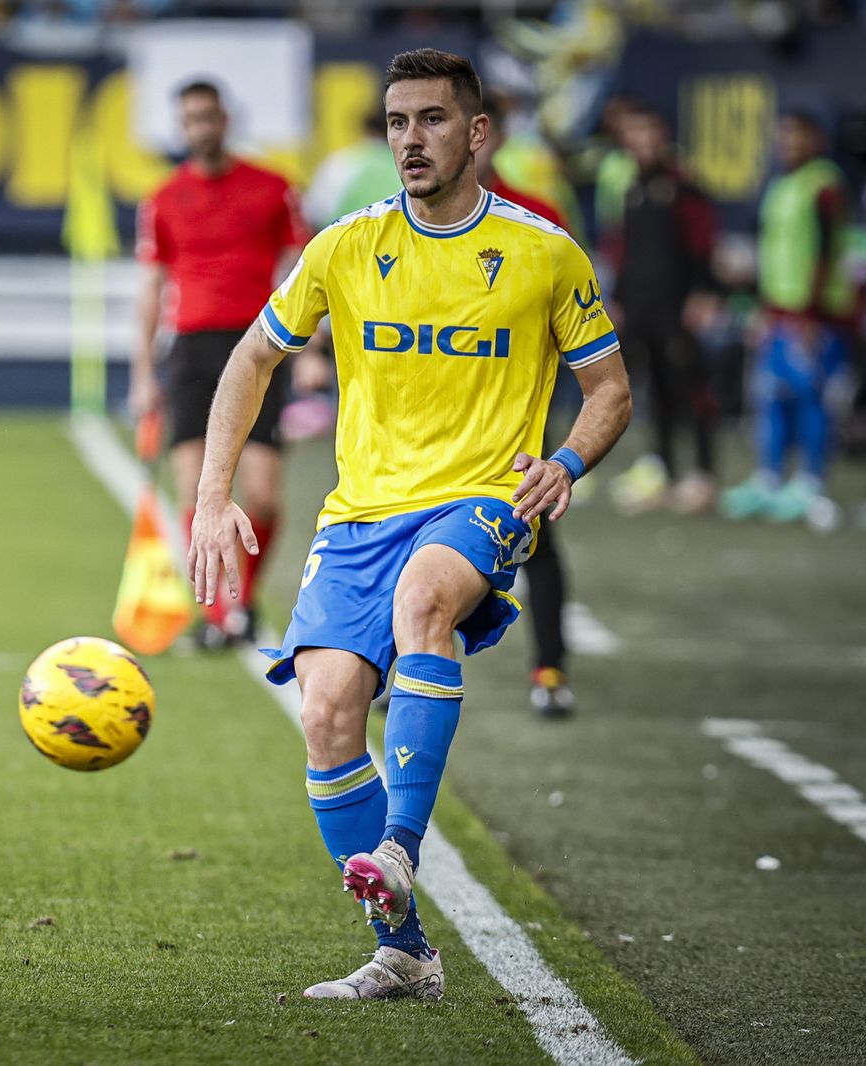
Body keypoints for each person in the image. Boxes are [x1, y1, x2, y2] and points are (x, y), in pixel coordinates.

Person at [188, 49, 631, 1001]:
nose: (410, 140)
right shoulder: (346, 247)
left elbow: (609, 390)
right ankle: (405, 952)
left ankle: (400, 843)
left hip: (484, 497)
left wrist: (565, 461)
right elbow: (250, 361)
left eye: (431, 120)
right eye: (397, 122)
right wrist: (210, 496)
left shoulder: (544, 251)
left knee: (425, 599)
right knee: (327, 714)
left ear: (477, 133)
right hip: (359, 516)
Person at [131, 78, 308, 648]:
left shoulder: (272, 188)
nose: (202, 128)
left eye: (209, 116)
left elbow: (302, 269)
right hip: (190, 348)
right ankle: (218, 617)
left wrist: (312, 349)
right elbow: (151, 287)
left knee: (261, 494)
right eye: (191, 119)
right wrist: (141, 373)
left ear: (226, 120)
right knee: (193, 488)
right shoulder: (163, 199)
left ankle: (242, 598)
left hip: (257, 345)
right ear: (181, 128)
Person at [477, 92, 581, 718]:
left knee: (535, 539)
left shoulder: (540, 220)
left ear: (491, 134)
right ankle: (401, 669)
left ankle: (550, 668)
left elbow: (582, 325)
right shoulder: (400, 223)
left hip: (520, 417)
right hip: (432, 422)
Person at [722, 110, 856, 529]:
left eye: (797, 134)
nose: (788, 143)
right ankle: (770, 477)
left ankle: (810, 482)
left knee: (811, 398)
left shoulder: (825, 185)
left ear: (817, 138)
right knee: (770, 396)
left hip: (813, 316)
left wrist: (812, 315)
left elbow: (826, 252)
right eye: (783, 135)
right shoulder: (780, 184)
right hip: (778, 312)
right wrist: (763, 306)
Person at [602, 104, 721, 515]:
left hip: (677, 307)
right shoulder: (633, 186)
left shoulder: (682, 187)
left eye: (647, 133)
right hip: (641, 308)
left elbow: (703, 243)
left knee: (691, 391)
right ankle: (666, 474)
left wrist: (704, 293)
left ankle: (704, 475)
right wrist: (616, 298)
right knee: (654, 394)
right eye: (633, 134)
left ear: (662, 135)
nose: (640, 142)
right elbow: (627, 252)